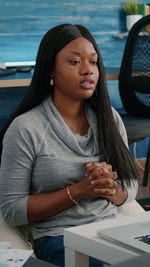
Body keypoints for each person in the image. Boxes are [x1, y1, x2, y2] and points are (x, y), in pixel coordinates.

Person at [0, 24, 138, 267]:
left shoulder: (109, 117)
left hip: (110, 230)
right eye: (75, 62)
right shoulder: (25, 129)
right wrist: (79, 190)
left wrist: (109, 188)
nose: (88, 71)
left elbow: (130, 185)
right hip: (59, 238)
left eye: (93, 62)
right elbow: (12, 210)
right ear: (51, 69)